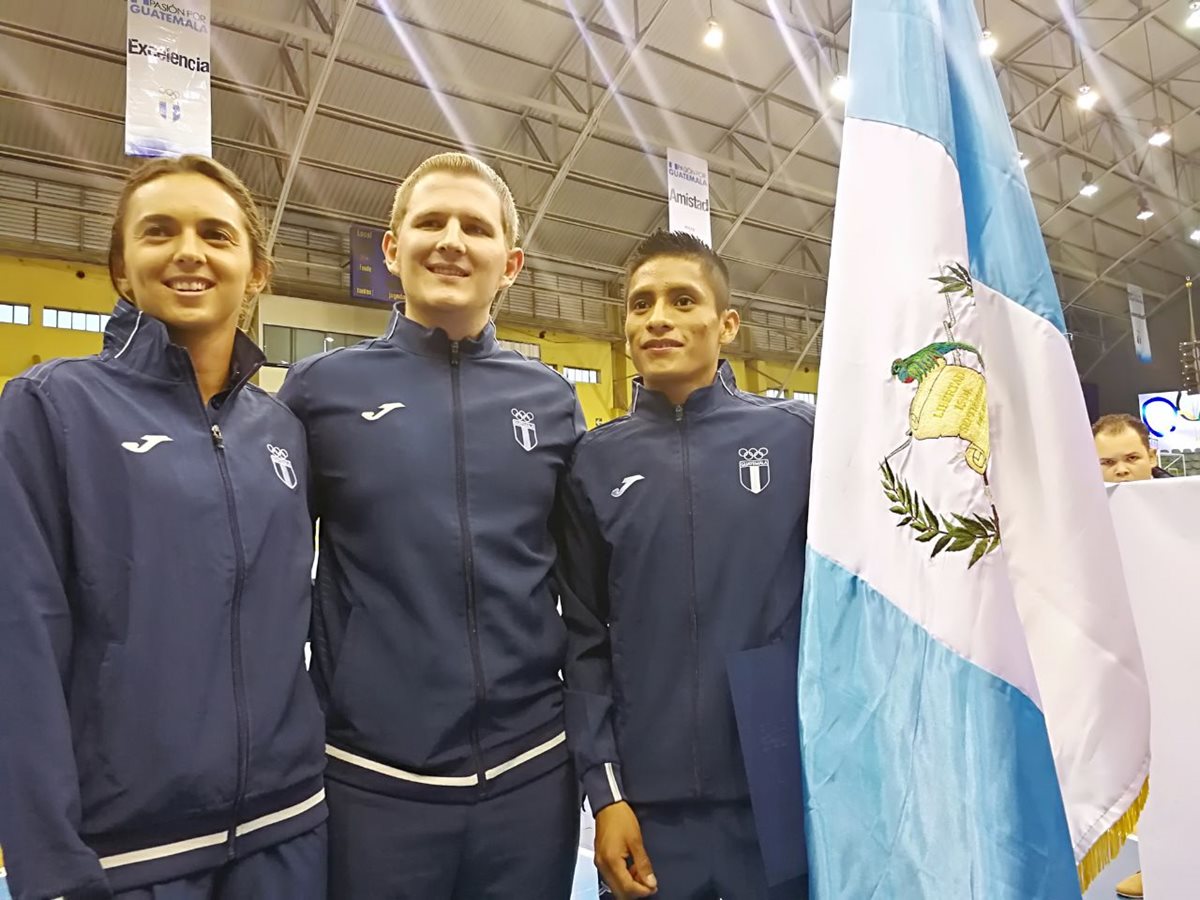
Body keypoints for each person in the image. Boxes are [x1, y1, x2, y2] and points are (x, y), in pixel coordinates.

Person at [0, 156, 327, 900]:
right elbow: (18, 638)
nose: (187, 251)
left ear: (256, 272)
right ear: (122, 268)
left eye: (215, 234)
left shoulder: (282, 430)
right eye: (159, 232)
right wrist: (47, 858)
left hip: (289, 833)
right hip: (130, 855)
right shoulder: (52, 406)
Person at [278, 152, 585, 899]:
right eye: (431, 222)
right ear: (392, 247)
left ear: (509, 263)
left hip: (530, 778)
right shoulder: (321, 392)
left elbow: (585, 597)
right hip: (373, 784)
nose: (452, 240)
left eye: (475, 228)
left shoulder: (550, 402)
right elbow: (273, 582)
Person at [559, 231, 813, 900]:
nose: (658, 318)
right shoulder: (594, 461)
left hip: (777, 797)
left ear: (726, 324)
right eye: (641, 305)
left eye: (681, 300)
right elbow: (584, 640)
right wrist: (606, 796)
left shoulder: (795, 439)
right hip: (648, 809)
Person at [1093, 413, 1171, 483]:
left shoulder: (1181, 497)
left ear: (1151, 458)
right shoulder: (1085, 498)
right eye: (1108, 462)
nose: (1121, 470)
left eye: (1132, 458)